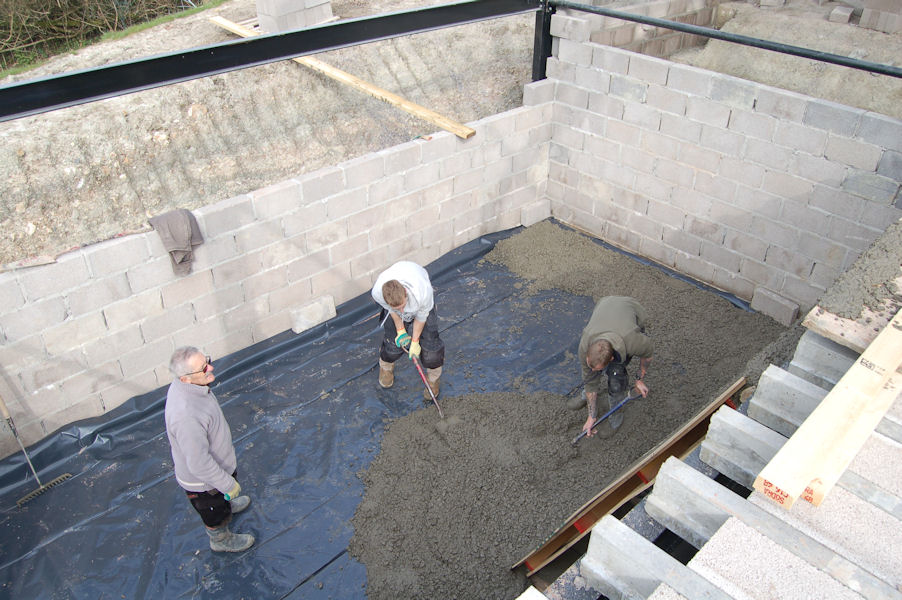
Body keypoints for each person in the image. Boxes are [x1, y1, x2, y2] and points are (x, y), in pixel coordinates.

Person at [164, 347, 255, 553]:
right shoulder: (186, 416)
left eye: (207, 361)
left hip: (217, 472)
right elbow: (198, 463)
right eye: (203, 368)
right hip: (206, 484)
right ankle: (220, 539)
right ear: (185, 379)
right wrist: (227, 484)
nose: (210, 368)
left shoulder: (189, 386)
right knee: (214, 513)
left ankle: (226, 503)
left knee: (222, 500)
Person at [572, 296, 653, 437]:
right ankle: (587, 397)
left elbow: (648, 355)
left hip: (631, 310)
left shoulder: (634, 342)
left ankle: (616, 417)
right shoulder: (585, 345)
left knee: (616, 379)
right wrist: (592, 416)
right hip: (606, 304)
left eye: (597, 368)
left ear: (611, 358)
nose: (593, 371)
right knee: (590, 376)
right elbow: (589, 378)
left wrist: (639, 378)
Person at [372, 261, 445, 399]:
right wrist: (400, 330)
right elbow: (391, 310)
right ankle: (386, 367)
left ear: (405, 293)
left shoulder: (422, 292)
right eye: (397, 308)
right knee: (393, 344)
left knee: (431, 348)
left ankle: (433, 379)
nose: (402, 311)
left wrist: (415, 341)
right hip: (394, 300)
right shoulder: (377, 293)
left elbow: (421, 317)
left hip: (421, 302)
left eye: (403, 306)